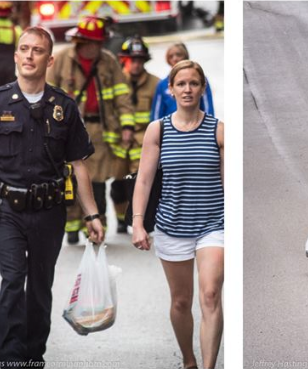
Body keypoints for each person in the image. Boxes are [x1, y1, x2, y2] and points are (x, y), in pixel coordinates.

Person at [0, 27, 104, 367]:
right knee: (14, 278)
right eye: (24, 49)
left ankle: (34, 355)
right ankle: (12, 358)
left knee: (40, 286)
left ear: (49, 60)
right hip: (7, 212)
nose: (29, 55)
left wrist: (92, 215)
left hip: (49, 212)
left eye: (37, 51)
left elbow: (79, 165)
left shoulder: (63, 106)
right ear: (16, 56)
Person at [131, 60, 224, 369]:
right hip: (172, 226)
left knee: (210, 294)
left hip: (214, 224)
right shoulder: (158, 130)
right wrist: (137, 223)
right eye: (181, 83)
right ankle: (189, 360)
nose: (187, 89)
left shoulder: (218, 130)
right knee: (181, 301)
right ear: (170, 89)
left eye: (194, 83)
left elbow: (229, 183)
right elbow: (144, 179)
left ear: (203, 88)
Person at [47, 16, 135, 244]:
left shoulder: (108, 61)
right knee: (68, 179)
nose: (96, 48)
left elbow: (121, 95)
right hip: (66, 129)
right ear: (80, 42)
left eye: (99, 43)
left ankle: (97, 228)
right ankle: (72, 228)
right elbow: (46, 93)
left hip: (99, 129)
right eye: (91, 43)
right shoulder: (62, 60)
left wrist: (127, 124)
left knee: (95, 181)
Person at [110, 35, 161, 233]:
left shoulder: (156, 84)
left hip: (143, 143)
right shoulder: (115, 82)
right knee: (117, 186)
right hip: (119, 143)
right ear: (124, 60)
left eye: (140, 60)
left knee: (140, 183)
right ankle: (121, 219)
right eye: (132, 60)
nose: (136, 65)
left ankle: (142, 220)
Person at [150, 42, 214, 121]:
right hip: (170, 129)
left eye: (178, 55)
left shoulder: (200, 79)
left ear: (185, 56)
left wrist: (208, 127)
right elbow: (156, 114)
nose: (175, 58)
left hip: (197, 125)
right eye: (171, 56)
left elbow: (208, 108)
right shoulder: (162, 84)